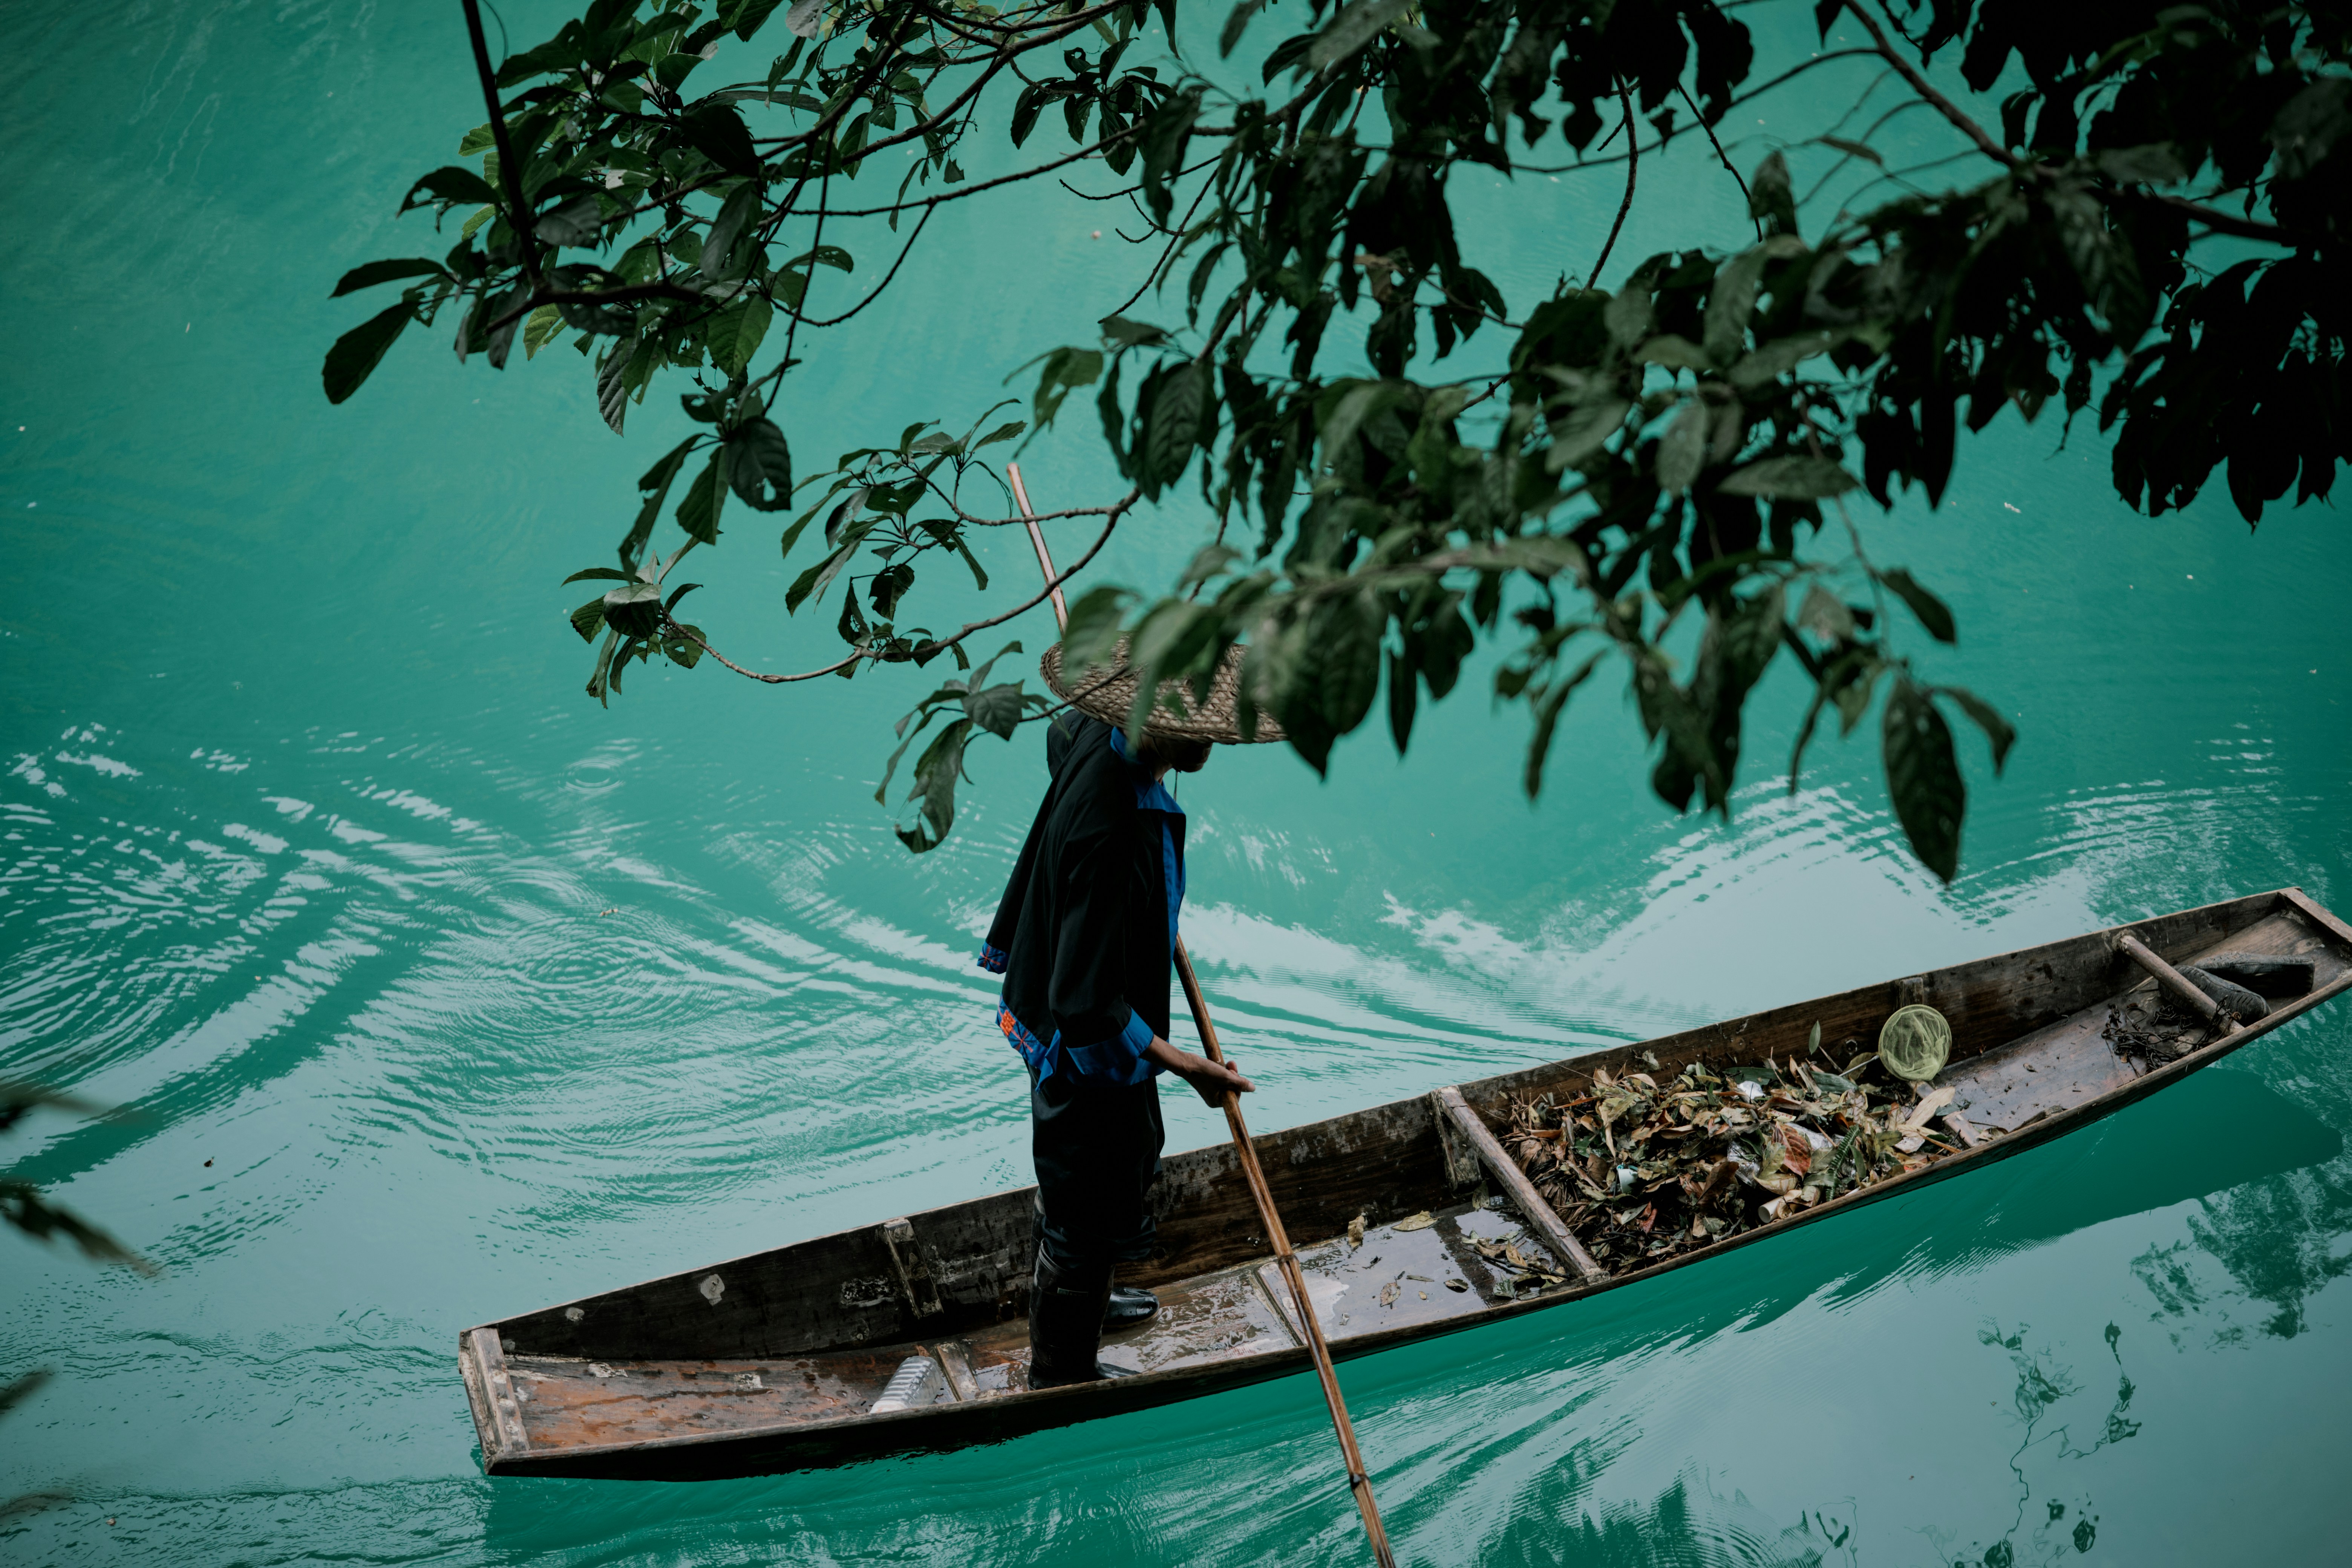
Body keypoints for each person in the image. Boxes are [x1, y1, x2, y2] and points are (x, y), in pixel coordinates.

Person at [977, 646, 1275, 1388]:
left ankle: (1094, 1296)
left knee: (1127, 1143)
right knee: (1087, 1174)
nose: (1209, 746)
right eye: (1197, 733)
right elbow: (1087, 1012)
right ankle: (1060, 1370)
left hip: (1062, 978)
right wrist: (1189, 1065)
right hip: (1076, 1019)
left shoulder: (1091, 731)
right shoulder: (1111, 831)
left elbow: (1059, 735)